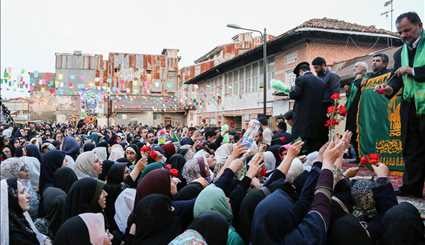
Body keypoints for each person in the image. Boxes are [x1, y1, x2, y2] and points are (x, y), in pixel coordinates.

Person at [376, 12, 425, 197]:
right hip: (409, 106)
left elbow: (407, 72)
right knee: (411, 148)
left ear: (419, 25)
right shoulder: (400, 53)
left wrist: (412, 70)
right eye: (400, 32)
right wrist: (387, 89)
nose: (404, 35)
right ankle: (411, 188)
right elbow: (397, 80)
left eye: (407, 30)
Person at [289, 62, 328, 153]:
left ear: (301, 71)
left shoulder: (301, 79)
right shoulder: (321, 82)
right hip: (318, 124)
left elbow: (295, 94)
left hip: (303, 123)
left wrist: (291, 90)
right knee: (315, 151)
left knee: (301, 150)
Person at [1, 178, 50, 245]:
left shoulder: (18, 217)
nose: (28, 196)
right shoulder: (15, 236)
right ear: (11, 197)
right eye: (22, 192)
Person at [343, 61, 368, 157]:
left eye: (356, 66)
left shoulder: (366, 78)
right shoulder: (353, 81)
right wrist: (347, 91)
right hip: (351, 110)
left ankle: (362, 156)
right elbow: (351, 97)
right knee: (350, 132)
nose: (354, 68)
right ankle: (357, 156)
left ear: (363, 69)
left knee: (358, 131)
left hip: (360, 109)